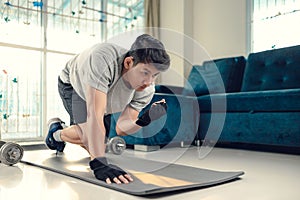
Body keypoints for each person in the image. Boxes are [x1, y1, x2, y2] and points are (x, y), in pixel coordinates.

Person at [45, 34, 171, 185]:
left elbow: (122, 128)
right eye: (145, 72)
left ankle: (60, 129)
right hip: (75, 86)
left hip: (104, 97)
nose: (149, 82)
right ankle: (55, 134)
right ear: (128, 62)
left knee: (99, 145)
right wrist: (99, 164)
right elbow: (94, 114)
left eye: (155, 75)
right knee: (88, 137)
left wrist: (145, 119)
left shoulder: (146, 90)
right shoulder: (103, 59)